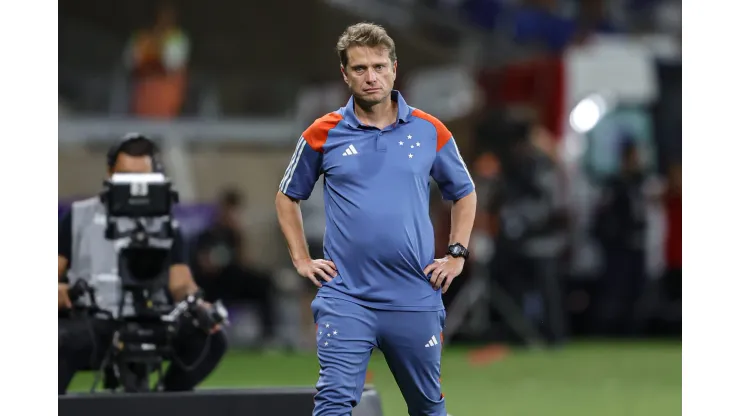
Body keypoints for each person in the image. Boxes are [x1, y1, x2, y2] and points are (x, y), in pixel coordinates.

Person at [275, 22, 476, 416]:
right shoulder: (322, 133)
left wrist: (456, 253)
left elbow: (464, 193)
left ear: (394, 69)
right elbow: (287, 197)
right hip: (346, 296)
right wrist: (300, 258)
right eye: (361, 68)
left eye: (379, 67)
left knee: (427, 407)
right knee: (332, 405)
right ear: (345, 74)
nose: (372, 77)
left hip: (414, 294)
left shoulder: (429, 130)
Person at [58, 135, 227, 394]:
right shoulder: (80, 217)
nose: (134, 185)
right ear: (110, 173)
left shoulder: (166, 224)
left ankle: (165, 401)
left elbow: (180, 282)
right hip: (96, 319)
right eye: (126, 176)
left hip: (154, 316)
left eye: (142, 177)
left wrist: (198, 304)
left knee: (210, 339)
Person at [193, 188, 276, 343]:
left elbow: (243, 262)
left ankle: (269, 336)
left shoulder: (234, 235)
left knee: (264, 282)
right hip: (213, 282)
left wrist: (239, 236)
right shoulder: (207, 235)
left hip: (234, 280)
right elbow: (205, 266)